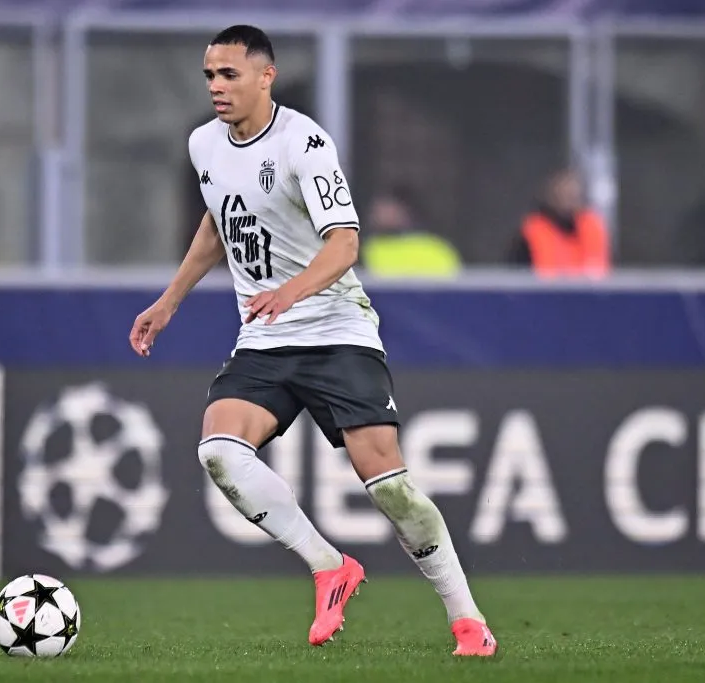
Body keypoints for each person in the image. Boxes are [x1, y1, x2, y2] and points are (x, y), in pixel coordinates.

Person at [128, 25, 497, 658]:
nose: (216, 86)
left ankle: (467, 620)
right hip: (266, 338)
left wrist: (292, 291)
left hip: (336, 331)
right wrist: (169, 301)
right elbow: (218, 223)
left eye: (229, 75)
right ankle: (329, 565)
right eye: (210, 75)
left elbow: (346, 243)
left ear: (265, 77)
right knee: (219, 451)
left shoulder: (305, 143)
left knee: (388, 485)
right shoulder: (204, 144)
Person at [508, 167, 610, 278]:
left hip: (588, 294)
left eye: (572, 195)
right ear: (551, 195)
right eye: (563, 194)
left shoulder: (592, 228)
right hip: (543, 294)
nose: (568, 200)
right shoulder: (532, 232)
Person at [361, 187, 462, 278]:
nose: (378, 214)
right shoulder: (363, 250)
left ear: (405, 211)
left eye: (387, 208)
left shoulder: (438, 249)